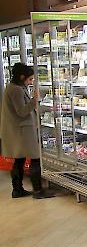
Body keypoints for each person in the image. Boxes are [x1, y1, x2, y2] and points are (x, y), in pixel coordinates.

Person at [0, 63, 55, 199]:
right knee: (35, 158)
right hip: (22, 131)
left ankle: (17, 190)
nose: (31, 82)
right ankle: (38, 190)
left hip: (18, 131)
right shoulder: (16, 90)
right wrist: (34, 101)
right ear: (22, 77)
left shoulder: (13, 87)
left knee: (19, 160)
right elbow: (22, 111)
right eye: (30, 79)